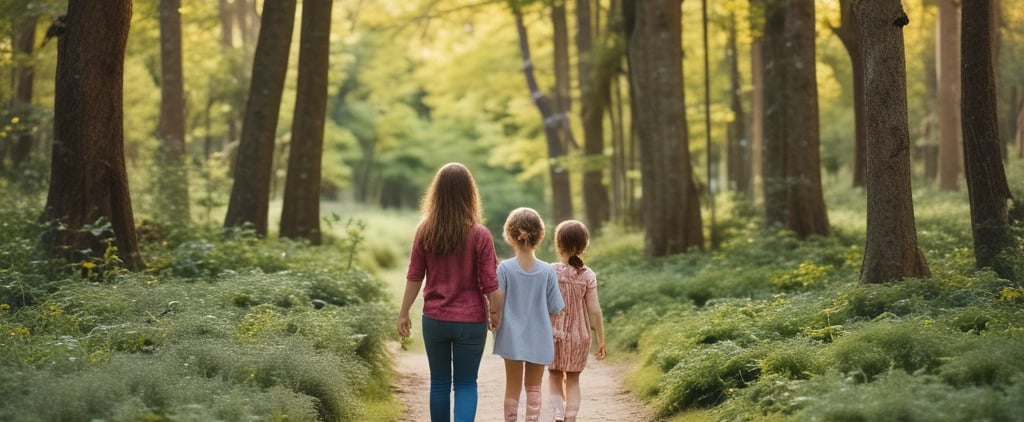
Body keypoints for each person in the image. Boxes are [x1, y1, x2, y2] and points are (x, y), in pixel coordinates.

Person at [397, 163, 504, 422]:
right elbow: (491, 284)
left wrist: (403, 313)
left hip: (435, 319)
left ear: (437, 193)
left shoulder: (425, 230)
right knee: (467, 383)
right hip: (471, 321)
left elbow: (414, 275)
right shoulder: (480, 234)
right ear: (470, 193)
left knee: (440, 383)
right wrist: (495, 313)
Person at [492, 207, 565, 422]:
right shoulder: (547, 271)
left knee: (512, 388)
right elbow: (556, 307)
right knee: (534, 388)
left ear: (510, 236)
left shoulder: (504, 269)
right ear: (540, 235)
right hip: (539, 337)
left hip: (511, 337)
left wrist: (493, 318)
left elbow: (497, 301)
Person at [547, 220, 606, 422]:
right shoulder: (587, 275)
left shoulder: (550, 271)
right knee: (573, 380)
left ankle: (557, 416)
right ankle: (570, 418)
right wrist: (601, 338)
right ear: (584, 245)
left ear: (558, 244)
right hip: (580, 336)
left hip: (553, 334)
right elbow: (594, 310)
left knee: (554, 375)